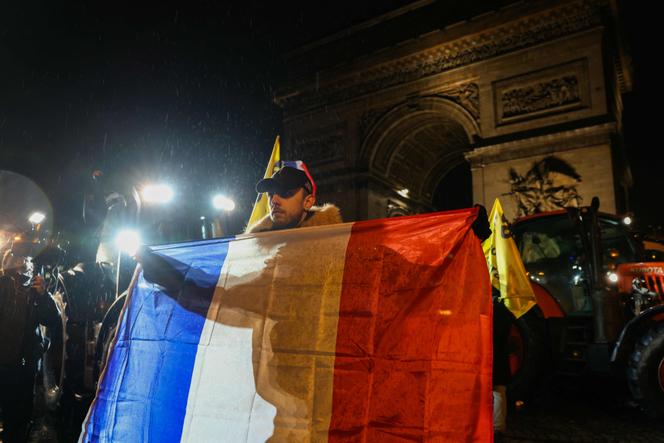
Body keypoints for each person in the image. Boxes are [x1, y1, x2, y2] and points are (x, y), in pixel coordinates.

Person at [0, 244, 60, 443]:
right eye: (22, 261)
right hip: (6, 363)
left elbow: (52, 320)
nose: (26, 266)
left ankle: (17, 435)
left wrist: (44, 295)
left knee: (23, 411)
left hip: (27, 364)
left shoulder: (36, 291)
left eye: (27, 262)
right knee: (10, 411)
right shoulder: (3, 286)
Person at [245, 161, 341, 233]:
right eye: (270, 194)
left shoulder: (334, 240)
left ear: (308, 202)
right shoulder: (256, 241)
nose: (273, 200)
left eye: (284, 192)